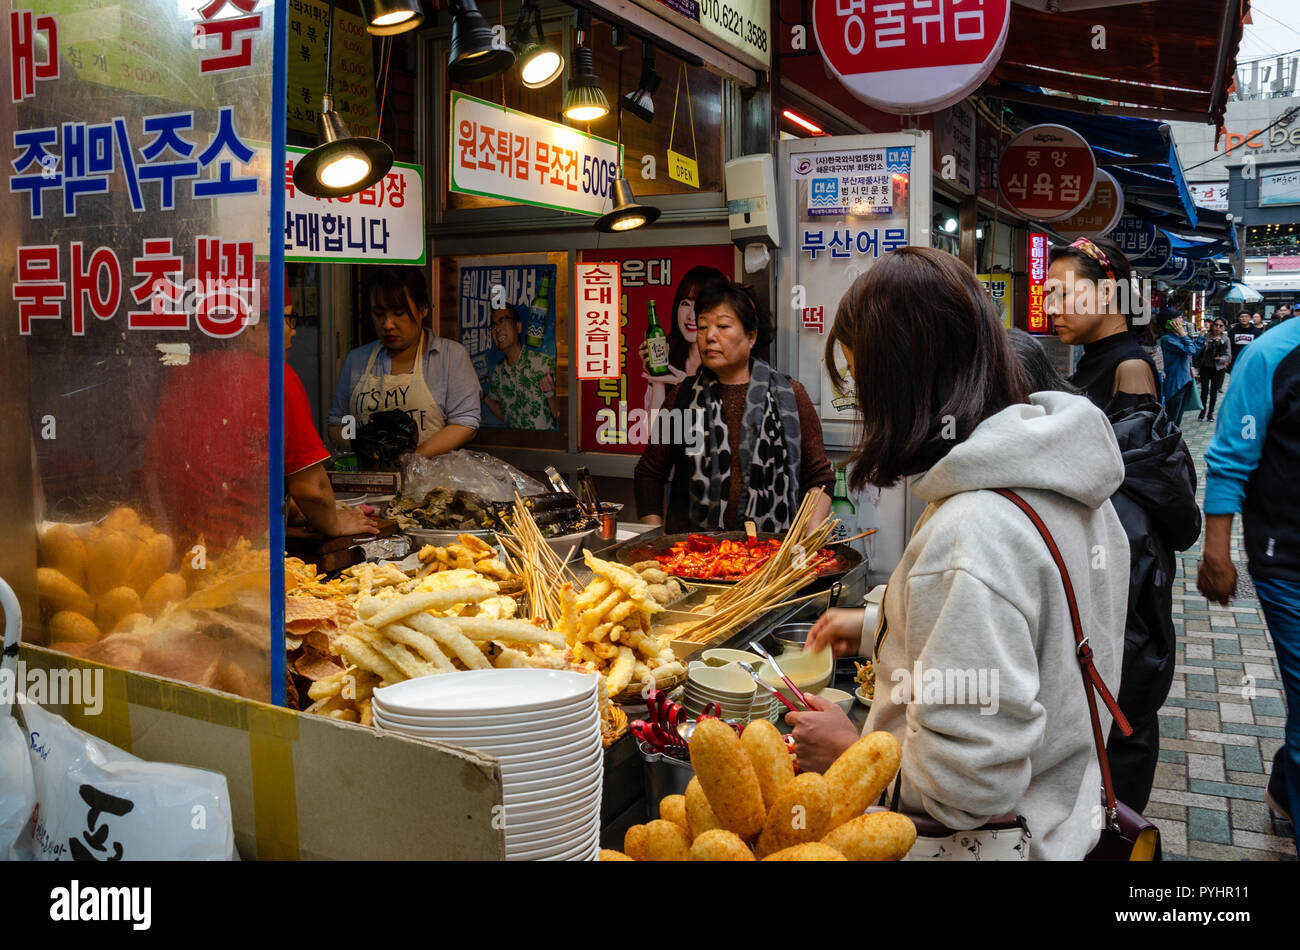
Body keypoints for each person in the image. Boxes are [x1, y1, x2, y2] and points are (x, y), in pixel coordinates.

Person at [796, 248, 1130, 860]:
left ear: (903, 381)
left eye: (862, 381)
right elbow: (1037, 640)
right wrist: (877, 626)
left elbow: (965, 790)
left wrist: (851, 753)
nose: (861, 407)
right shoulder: (1070, 483)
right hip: (1069, 821)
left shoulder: (973, 531)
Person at [1007, 329, 1200, 813]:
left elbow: (1115, 618)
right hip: (1125, 693)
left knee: (1104, 819)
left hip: (1114, 701)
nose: (1056, 302)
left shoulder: (1091, 492)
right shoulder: (1103, 465)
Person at [1198, 317, 1300, 853]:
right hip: (1287, 561)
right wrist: (1217, 551)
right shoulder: (1271, 355)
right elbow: (1232, 455)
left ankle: (1286, 787)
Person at [633, 280, 833, 533]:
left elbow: (820, 478)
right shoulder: (681, 398)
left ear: (751, 337)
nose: (709, 336)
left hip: (771, 557)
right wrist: (656, 541)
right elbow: (649, 472)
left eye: (723, 326)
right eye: (703, 327)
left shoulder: (790, 396)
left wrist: (806, 540)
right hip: (693, 557)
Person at [328, 266, 480, 458]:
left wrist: (413, 457)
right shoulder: (357, 360)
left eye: (398, 313)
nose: (387, 324)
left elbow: (465, 423)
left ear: (423, 309)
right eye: (378, 314)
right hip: (371, 481)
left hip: (431, 481)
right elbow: (337, 423)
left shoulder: (450, 357)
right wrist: (361, 446)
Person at [283, 292, 378, 538]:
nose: (293, 331)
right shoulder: (278, 377)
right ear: (256, 324)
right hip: (249, 552)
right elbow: (311, 489)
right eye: (288, 319)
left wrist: (288, 506)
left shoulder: (182, 370)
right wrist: (333, 523)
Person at [1045, 237, 1159, 411]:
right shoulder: (1094, 360)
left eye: (1063, 294)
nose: (1051, 308)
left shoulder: (1131, 368)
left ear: (1106, 292)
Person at [639, 265, 728, 419]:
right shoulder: (669, 355)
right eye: (685, 304)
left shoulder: (729, 363)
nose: (691, 317)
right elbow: (655, 433)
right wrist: (657, 376)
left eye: (702, 306)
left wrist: (686, 387)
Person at [482, 305, 559, 430]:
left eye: (502, 321)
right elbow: (507, 416)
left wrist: (550, 394)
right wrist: (484, 398)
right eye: (493, 325)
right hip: (515, 445)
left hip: (545, 445)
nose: (497, 329)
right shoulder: (498, 370)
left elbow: (561, 416)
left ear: (518, 327)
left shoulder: (543, 363)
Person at [1157, 308, 1200, 427]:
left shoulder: (1177, 337)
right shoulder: (1168, 339)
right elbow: (1191, 350)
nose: (1182, 320)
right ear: (1170, 322)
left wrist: (1199, 337)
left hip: (1184, 382)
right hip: (1175, 385)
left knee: (1177, 421)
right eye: (1178, 317)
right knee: (1172, 422)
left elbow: (1195, 349)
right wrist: (1184, 335)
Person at [1195, 318, 1231, 422]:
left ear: (1224, 327)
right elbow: (1198, 349)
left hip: (1218, 368)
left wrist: (1220, 358)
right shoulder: (1206, 336)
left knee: (1214, 391)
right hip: (1205, 366)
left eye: (1221, 326)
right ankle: (1203, 410)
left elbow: (1228, 356)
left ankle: (1210, 413)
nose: (1218, 328)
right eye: (1216, 325)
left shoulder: (1226, 339)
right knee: (1204, 390)